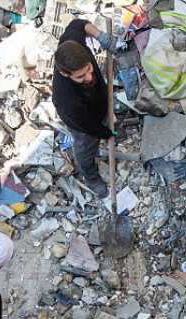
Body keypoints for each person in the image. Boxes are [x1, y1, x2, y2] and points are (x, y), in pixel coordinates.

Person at [52, 18, 114, 198]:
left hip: (97, 102)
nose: (89, 77)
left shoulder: (72, 45)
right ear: (65, 73)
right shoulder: (66, 100)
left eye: (89, 69)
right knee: (86, 147)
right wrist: (106, 133)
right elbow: (89, 126)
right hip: (83, 123)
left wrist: (101, 36)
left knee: (104, 115)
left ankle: (106, 119)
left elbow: (77, 24)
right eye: (80, 76)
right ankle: (91, 176)